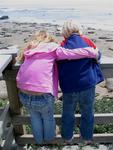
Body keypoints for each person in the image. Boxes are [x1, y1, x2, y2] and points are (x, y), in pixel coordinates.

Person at [16, 30, 98, 144]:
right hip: (42, 94)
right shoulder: (53, 48)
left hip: (23, 93)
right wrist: (91, 52)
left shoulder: (30, 49)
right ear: (50, 40)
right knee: (48, 117)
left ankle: (39, 142)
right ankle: (49, 140)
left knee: (34, 117)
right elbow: (73, 53)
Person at [57, 20, 104, 144]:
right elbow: (98, 55)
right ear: (79, 30)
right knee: (88, 112)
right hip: (87, 84)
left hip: (69, 86)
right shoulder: (87, 41)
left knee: (67, 113)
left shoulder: (62, 44)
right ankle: (87, 137)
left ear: (65, 32)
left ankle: (67, 137)